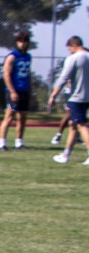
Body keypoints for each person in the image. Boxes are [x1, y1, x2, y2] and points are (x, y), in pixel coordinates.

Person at [48, 35, 89, 165]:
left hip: (76, 97)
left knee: (81, 125)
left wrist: (53, 94)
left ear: (73, 46)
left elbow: (63, 77)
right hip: (87, 97)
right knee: (73, 125)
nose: (69, 51)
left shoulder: (74, 58)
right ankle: (66, 154)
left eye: (69, 49)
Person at [0, 30, 33, 150]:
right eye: (20, 41)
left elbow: (28, 74)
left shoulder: (28, 56)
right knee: (9, 116)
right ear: (17, 43)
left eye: (24, 41)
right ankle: (2, 143)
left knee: (22, 117)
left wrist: (30, 90)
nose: (22, 44)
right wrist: (12, 91)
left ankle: (19, 142)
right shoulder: (12, 56)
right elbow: (6, 74)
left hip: (24, 90)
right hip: (14, 90)